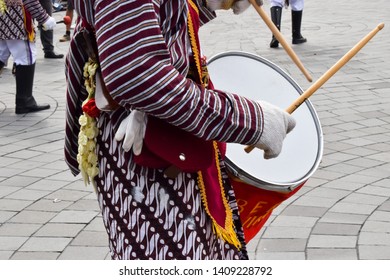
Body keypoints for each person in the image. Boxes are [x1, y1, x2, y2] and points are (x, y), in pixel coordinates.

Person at [64, 0, 295, 260]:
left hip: (163, 126)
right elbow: (136, 73)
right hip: (144, 145)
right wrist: (251, 121)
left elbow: (157, 21)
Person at [0, 0, 56, 114]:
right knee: (26, 57)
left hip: (3, 14)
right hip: (15, 17)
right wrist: (44, 18)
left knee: (1, 55)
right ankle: (25, 101)